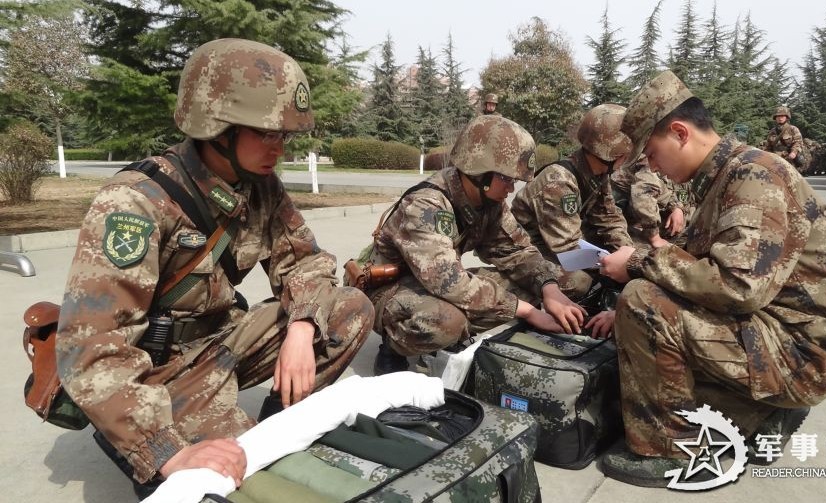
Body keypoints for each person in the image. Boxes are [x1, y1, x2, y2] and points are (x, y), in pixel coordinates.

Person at [56, 38, 374, 494]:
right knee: (230, 477)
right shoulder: (135, 202)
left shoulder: (259, 186)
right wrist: (165, 450)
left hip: (218, 344)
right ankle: (138, 439)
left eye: (284, 135)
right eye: (267, 133)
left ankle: (274, 421)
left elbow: (307, 262)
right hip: (157, 373)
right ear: (218, 127)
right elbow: (91, 348)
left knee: (347, 308)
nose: (279, 148)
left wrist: (302, 326)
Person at [597, 70, 826, 487]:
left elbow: (738, 287)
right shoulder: (729, 173)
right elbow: (695, 260)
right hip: (790, 336)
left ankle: (672, 450)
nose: (652, 166)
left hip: (803, 352)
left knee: (641, 301)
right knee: (636, 372)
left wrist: (638, 263)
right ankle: (763, 416)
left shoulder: (755, 177)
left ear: (680, 133)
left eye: (651, 153)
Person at [362, 115, 587, 375]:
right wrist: (526, 311)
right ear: (480, 172)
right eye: (507, 178)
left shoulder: (489, 202)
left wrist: (549, 289)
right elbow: (450, 282)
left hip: (435, 282)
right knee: (446, 322)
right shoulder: (427, 204)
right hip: (387, 289)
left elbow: (516, 251)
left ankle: (459, 332)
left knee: (571, 280)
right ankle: (394, 346)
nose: (512, 188)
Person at [511, 104, 633, 314]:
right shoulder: (558, 182)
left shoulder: (598, 175)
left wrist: (628, 255)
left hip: (554, 246)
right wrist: (612, 266)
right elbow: (567, 249)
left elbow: (610, 218)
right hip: (527, 253)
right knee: (578, 281)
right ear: (615, 154)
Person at [609, 153, 686, 249]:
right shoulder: (654, 162)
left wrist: (677, 208)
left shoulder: (663, 164)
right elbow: (643, 195)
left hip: (626, 218)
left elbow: (666, 189)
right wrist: (655, 238)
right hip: (610, 215)